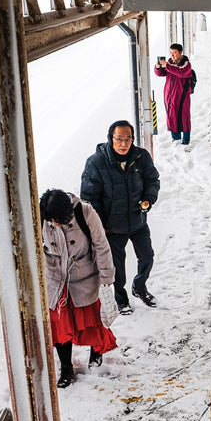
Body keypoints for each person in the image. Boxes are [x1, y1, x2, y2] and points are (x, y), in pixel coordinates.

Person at [81, 120, 161, 313]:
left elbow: (152, 180)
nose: (124, 144)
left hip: (137, 221)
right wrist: (101, 225)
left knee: (147, 257)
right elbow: (89, 199)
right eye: (119, 139)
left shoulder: (141, 157)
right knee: (117, 267)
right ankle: (120, 298)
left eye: (128, 139)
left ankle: (139, 287)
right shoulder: (96, 162)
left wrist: (148, 199)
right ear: (111, 139)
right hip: (112, 226)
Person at [40, 188, 117, 388]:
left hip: (84, 276)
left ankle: (96, 357)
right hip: (56, 278)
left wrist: (107, 276)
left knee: (92, 320)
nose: (55, 224)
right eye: (53, 221)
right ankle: (66, 368)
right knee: (60, 325)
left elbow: (101, 245)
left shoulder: (85, 212)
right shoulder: (42, 217)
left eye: (59, 220)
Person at [154, 42, 196, 144]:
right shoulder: (170, 63)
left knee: (184, 116)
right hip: (169, 94)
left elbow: (181, 73)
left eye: (175, 53)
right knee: (172, 115)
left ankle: (186, 140)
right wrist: (158, 67)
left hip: (182, 95)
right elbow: (161, 74)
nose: (172, 56)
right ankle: (175, 138)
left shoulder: (186, 64)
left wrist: (167, 66)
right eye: (171, 53)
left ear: (181, 52)